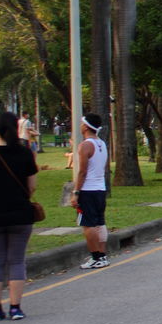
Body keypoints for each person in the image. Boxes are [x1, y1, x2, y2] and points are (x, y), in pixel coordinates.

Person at [0, 112, 38, 320]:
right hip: (20, 214)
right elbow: (32, 187)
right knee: (16, 261)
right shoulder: (25, 153)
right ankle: (15, 307)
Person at [70, 113, 111, 269]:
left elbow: (82, 171)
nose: (80, 126)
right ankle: (102, 255)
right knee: (100, 222)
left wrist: (76, 192)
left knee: (88, 225)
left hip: (88, 190)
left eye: (81, 123)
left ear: (86, 126)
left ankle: (95, 256)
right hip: (100, 189)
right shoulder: (101, 143)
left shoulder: (85, 145)